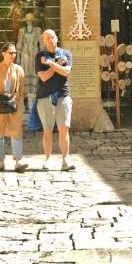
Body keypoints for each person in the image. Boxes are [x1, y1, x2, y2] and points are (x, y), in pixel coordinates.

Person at [0, 44, 28, 172]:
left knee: (16, 132)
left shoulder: (19, 70)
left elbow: (21, 90)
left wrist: (20, 106)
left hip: (13, 103)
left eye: (14, 53)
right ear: (3, 53)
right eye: (10, 52)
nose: (13, 55)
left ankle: (18, 162)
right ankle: (0, 161)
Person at [36, 29, 75, 171]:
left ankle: (65, 160)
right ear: (44, 41)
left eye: (52, 37)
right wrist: (57, 64)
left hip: (63, 95)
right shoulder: (40, 56)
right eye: (47, 38)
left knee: (64, 128)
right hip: (45, 96)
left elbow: (66, 72)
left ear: (57, 38)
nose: (50, 40)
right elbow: (44, 77)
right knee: (47, 130)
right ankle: (47, 159)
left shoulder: (67, 53)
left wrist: (50, 64)